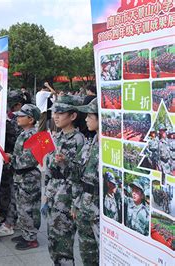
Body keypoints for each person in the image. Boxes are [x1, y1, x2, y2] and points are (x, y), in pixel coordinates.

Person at [41, 95, 85, 265]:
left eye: (60, 113)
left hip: (66, 196)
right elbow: (50, 170)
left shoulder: (78, 139)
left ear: (73, 116)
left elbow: (80, 173)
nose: (55, 116)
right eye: (54, 113)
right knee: (53, 241)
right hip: (53, 194)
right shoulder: (57, 137)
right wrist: (46, 193)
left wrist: (75, 203)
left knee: (64, 244)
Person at [0, 104, 42, 250]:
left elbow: (28, 160)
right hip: (21, 176)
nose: (18, 118)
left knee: (28, 208)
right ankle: (26, 233)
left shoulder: (33, 136)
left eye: (22, 116)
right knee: (21, 207)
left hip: (28, 177)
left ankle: (31, 238)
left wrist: (10, 158)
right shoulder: (24, 133)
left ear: (30, 119)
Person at [73, 98, 100, 265]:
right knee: (87, 253)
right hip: (84, 206)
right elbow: (78, 176)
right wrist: (76, 203)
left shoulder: (110, 148)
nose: (85, 119)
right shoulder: (90, 143)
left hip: (99, 210)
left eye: (90, 116)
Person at [0, 91, 26, 226]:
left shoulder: (18, 120)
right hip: (4, 159)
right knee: (4, 189)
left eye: (11, 106)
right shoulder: (6, 118)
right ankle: (3, 213)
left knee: (11, 191)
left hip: (14, 161)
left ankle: (10, 218)